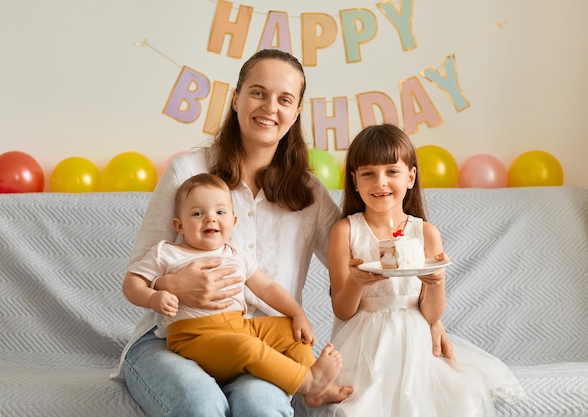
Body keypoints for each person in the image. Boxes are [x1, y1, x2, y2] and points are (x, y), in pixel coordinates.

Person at [114, 49, 454, 417]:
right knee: (202, 404)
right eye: (257, 92)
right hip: (171, 338)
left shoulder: (307, 192)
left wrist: (430, 322)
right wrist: (172, 286)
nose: (269, 107)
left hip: (263, 343)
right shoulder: (187, 172)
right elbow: (139, 271)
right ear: (236, 99)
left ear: (295, 114)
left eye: (284, 99)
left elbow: (366, 257)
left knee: (260, 408)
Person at [314, 124, 524, 416]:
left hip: (415, 344)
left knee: (456, 403)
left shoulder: (425, 233)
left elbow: (432, 314)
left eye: (392, 171)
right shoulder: (345, 231)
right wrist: (358, 282)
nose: (380, 182)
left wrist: (436, 282)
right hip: (363, 346)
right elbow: (342, 309)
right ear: (355, 180)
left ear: (410, 176)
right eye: (368, 174)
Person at [123, 173, 350, 407]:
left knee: (290, 331)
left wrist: (297, 314)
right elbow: (132, 283)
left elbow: (267, 288)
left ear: (233, 222)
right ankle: (307, 381)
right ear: (179, 225)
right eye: (197, 213)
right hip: (194, 336)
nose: (210, 219)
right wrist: (153, 297)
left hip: (240, 326)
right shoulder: (168, 252)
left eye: (220, 213)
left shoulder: (234, 253)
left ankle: (315, 390)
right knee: (247, 348)